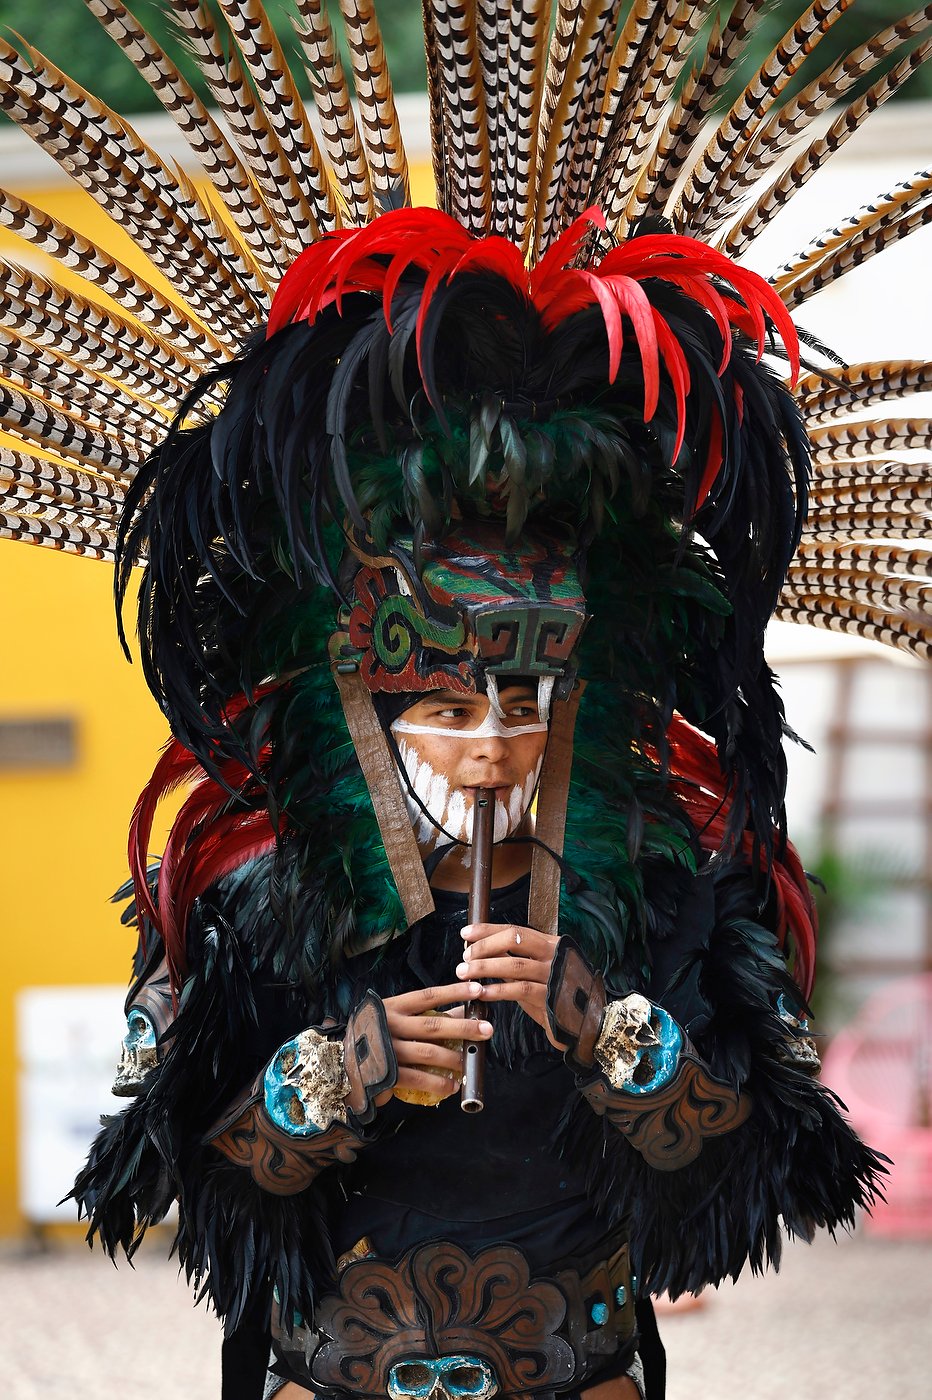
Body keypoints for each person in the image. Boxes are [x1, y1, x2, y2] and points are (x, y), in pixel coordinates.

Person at [0, 5, 925, 1400]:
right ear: (359, 698)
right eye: (444, 709)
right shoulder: (255, 900)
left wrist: (605, 1028)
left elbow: (749, 1174)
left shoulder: (665, 889)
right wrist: (343, 1072)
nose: (493, 748)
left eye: (527, 702)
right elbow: (184, 1180)